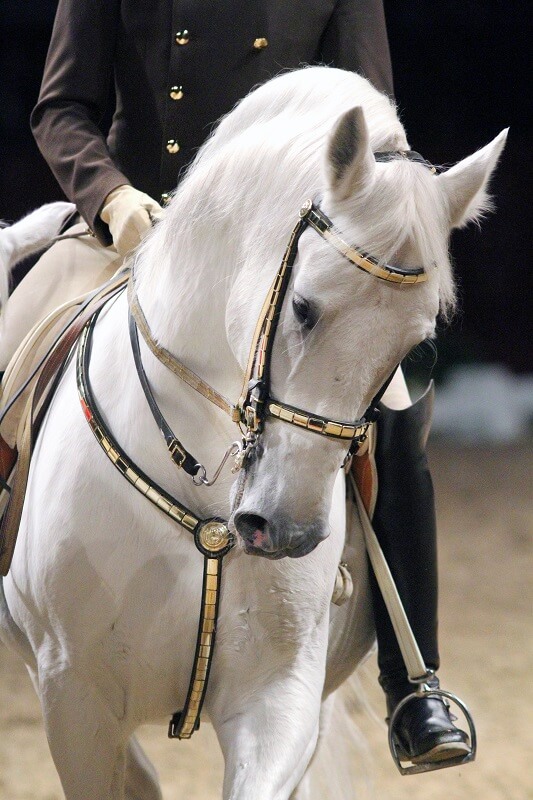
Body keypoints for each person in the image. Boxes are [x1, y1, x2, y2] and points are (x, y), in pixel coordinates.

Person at [2, 0, 470, 768]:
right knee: (14, 357)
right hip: (141, 227)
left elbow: (371, 123)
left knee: (397, 410)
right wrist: (109, 196)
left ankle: (413, 679)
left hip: (290, 246)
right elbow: (62, 106)